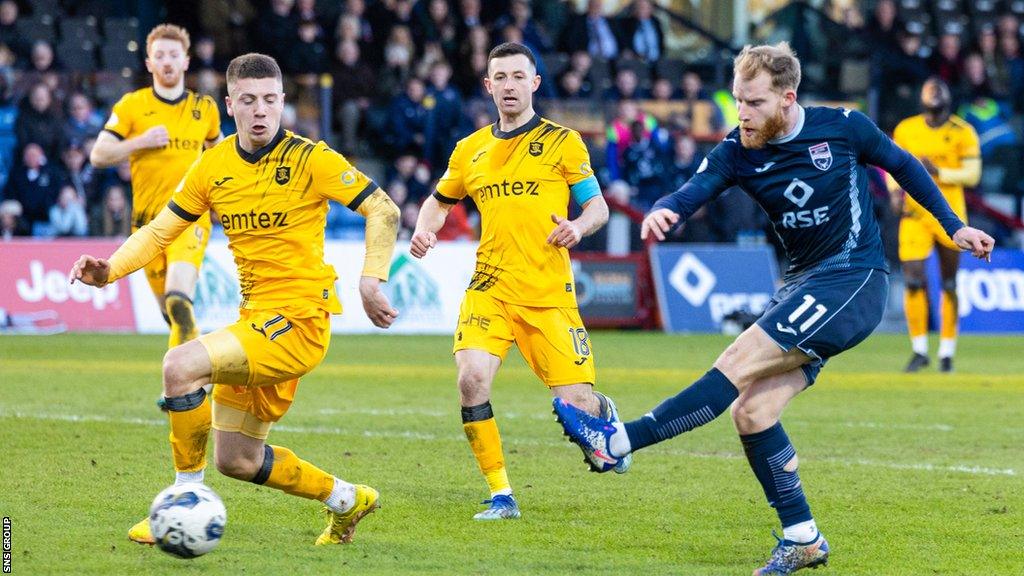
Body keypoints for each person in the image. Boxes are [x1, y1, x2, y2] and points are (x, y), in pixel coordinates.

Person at [552, 42, 993, 575]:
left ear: (787, 98)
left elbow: (905, 166)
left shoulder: (843, 127)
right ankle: (803, 536)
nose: (742, 112)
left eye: (754, 102)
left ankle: (619, 441)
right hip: (801, 286)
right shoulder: (738, 149)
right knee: (752, 411)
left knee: (737, 360)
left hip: (853, 278)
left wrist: (954, 226)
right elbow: (695, 189)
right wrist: (666, 210)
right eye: (738, 99)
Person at [69, 53, 401, 546]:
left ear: (283, 102)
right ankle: (347, 500)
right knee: (237, 460)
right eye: (249, 101)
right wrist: (109, 270)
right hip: (257, 321)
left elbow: (383, 208)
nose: (261, 110)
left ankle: (184, 500)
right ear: (231, 105)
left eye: (270, 100)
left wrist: (371, 278)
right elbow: (161, 231)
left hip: (301, 319)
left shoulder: (311, 159)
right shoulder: (215, 164)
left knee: (179, 366)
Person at [409, 42, 630, 521]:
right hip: (490, 287)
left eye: (517, 76)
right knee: (471, 380)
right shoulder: (470, 150)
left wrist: (577, 227)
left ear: (535, 83)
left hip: (548, 294)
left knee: (575, 404)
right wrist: (425, 229)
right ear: (489, 87)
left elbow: (598, 207)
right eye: (500, 78)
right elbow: (439, 200)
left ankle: (601, 413)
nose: (509, 85)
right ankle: (501, 494)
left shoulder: (563, 142)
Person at [89, 25, 223, 543]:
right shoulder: (132, 106)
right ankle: (191, 372)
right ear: (149, 62)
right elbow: (100, 154)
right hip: (146, 228)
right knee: (173, 317)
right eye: (159, 56)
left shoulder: (205, 110)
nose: (167, 62)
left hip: (190, 221)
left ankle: (181, 382)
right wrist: (139, 143)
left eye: (175, 55)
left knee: (179, 300)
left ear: (186, 60)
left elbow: (218, 160)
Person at [889, 78, 980, 373]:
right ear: (921, 97)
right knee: (914, 280)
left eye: (941, 87)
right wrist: (893, 191)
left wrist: (940, 171)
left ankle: (947, 352)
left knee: (949, 281)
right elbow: (890, 164)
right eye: (929, 88)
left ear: (949, 97)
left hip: (950, 216)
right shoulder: (906, 129)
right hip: (914, 214)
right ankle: (918, 349)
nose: (935, 91)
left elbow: (973, 173)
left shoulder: (962, 131)